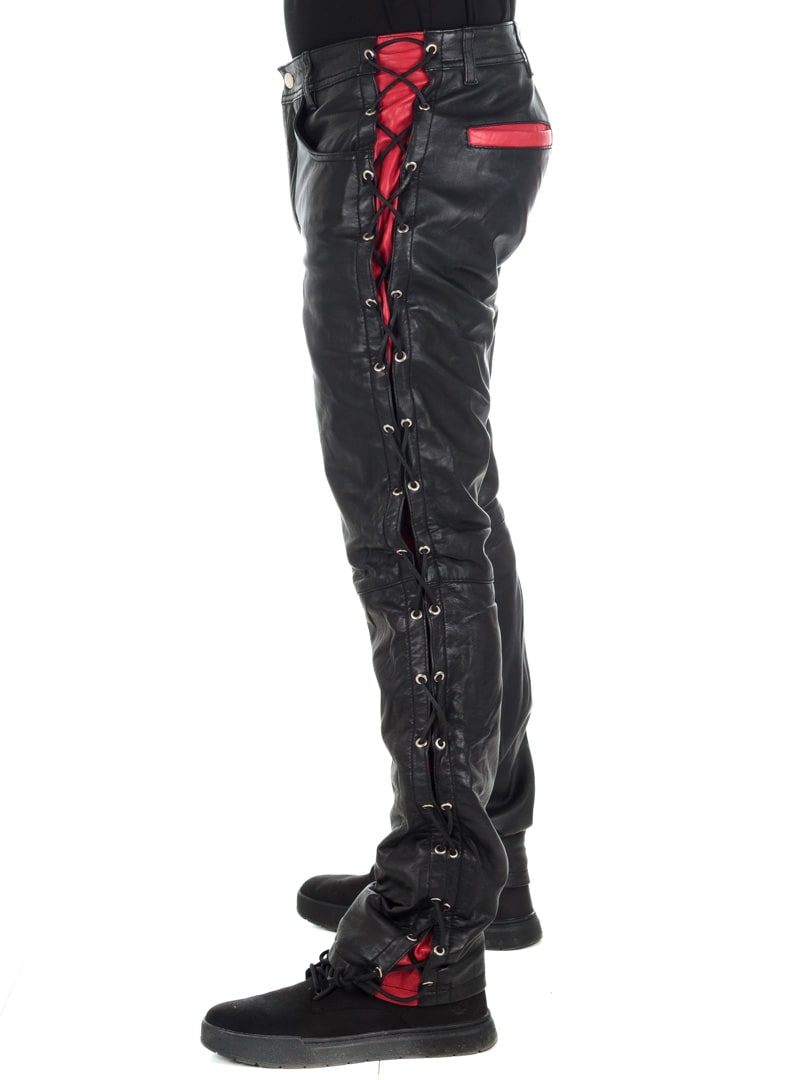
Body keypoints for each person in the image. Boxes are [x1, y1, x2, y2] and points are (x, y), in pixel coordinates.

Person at [200, 1, 552, 1067]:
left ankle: (426, 939)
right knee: (441, 493)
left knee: (413, 509)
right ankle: (481, 856)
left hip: (405, 92)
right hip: (411, 88)